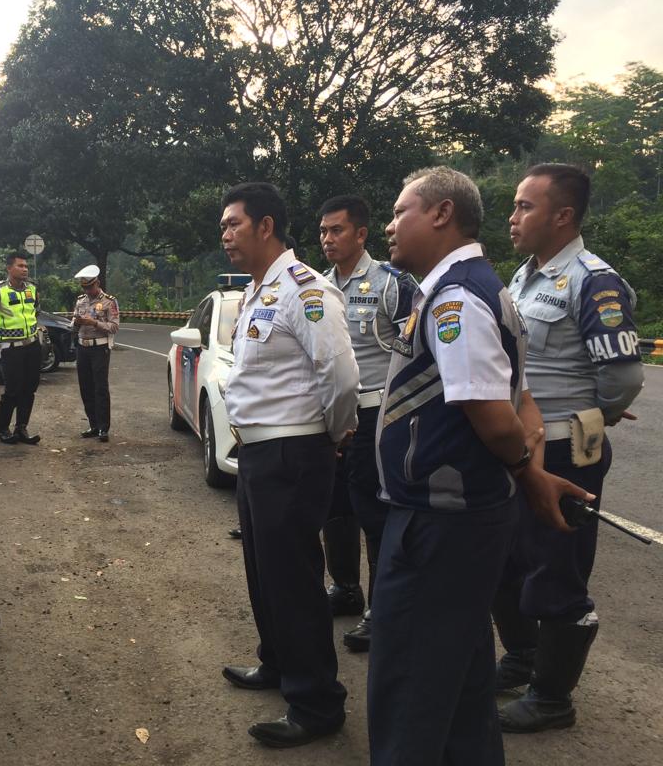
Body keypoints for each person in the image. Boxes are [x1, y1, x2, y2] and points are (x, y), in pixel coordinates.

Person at [368, 166, 588, 765]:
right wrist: (529, 465)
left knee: (409, 681)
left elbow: (491, 413)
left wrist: (530, 474)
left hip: (440, 520)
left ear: (441, 213)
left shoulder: (458, 296)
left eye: (399, 212)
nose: (389, 227)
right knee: (460, 682)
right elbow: (518, 395)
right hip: (453, 517)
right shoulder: (473, 286)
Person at [494, 164, 644, 733]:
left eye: (526, 207)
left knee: (557, 568)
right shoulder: (525, 277)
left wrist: (592, 416)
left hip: (563, 452)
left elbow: (623, 378)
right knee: (506, 562)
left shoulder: (593, 280)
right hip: (518, 445)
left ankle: (553, 698)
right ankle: (522, 658)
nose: (512, 217)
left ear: (564, 216)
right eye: (514, 205)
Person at [220, 182, 359, 748]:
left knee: (294, 579)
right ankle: (276, 663)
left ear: (266, 226)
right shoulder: (258, 290)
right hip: (257, 452)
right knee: (263, 569)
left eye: (233, 224)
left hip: (293, 450)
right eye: (224, 226)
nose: (225, 234)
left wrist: (328, 436)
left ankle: (317, 703)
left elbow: (341, 375)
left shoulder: (306, 290)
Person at [319, 194, 417, 651]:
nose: (327, 239)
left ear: (361, 234)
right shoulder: (318, 286)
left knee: (375, 512)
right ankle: (345, 588)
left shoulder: (391, 283)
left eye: (337, 230)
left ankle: (383, 610)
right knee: (335, 506)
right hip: (333, 414)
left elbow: (417, 350)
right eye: (322, 231)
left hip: (377, 414)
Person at [0, 253, 42, 444]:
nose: (25, 269)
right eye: (20, 266)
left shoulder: (32, 288)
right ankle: (3, 428)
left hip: (32, 346)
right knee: (12, 390)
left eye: (26, 266)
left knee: (29, 389)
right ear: (9, 268)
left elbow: (35, 311)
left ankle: (21, 427)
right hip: (10, 349)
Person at [71, 264, 119, 441]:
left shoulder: (109, 301)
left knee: (100, 388)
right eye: (84, 287)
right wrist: (77, 322)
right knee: (86, 387)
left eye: (90, 286)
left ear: (97, 283)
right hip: (82, 347)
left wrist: (95, 323)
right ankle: (93, 424)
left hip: (100, 347)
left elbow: (114, 327)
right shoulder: (80, 300)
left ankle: (103, 428)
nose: (88, 290)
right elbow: (74, 323)